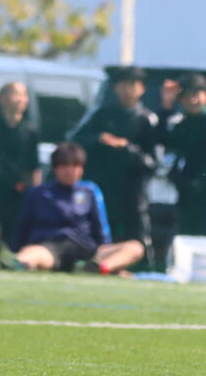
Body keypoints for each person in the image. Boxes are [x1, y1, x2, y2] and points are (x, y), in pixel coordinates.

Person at [69, 65, 157, 267]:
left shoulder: (147, 120)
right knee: (100, 229)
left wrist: (127, 148)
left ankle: (141, 268)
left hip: (132, 188)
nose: (128, 90)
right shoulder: (102, 114)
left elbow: (152, 162)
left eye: (133, 85)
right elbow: (76, 139)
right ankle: (95, 264)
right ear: (116, 88)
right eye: (123, 85)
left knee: (137, 232)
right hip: (104, 184)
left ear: (142, 89)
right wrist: (99, 139)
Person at [11, 142, 145, 274]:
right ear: (55, 168)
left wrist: (108, 254)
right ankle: (19, 263)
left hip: (87, 251)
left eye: (75, 165)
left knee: (135, 247)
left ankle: (101, 267)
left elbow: (101, 230)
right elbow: (23, 226)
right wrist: (16, 249)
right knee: (31, 253)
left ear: (82, 168)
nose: (70, 171)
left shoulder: (90, 191)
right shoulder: (38, 193)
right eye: (64, 165)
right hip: (50, 249)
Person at [0, 82, 40, 259]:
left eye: (24, 95)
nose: (21, 99)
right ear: (1, 99)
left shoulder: (30, 131)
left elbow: (33, 168)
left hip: (18, 193)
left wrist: (35, 197)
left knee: (15, 238)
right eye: (15, 94)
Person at [159, 73, 206, 236]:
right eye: (186, 97)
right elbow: (163, 140)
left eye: (195, 94)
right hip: (188, 191)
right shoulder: (182, 124)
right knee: (188, 234)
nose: (192, 101)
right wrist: (166, 106)